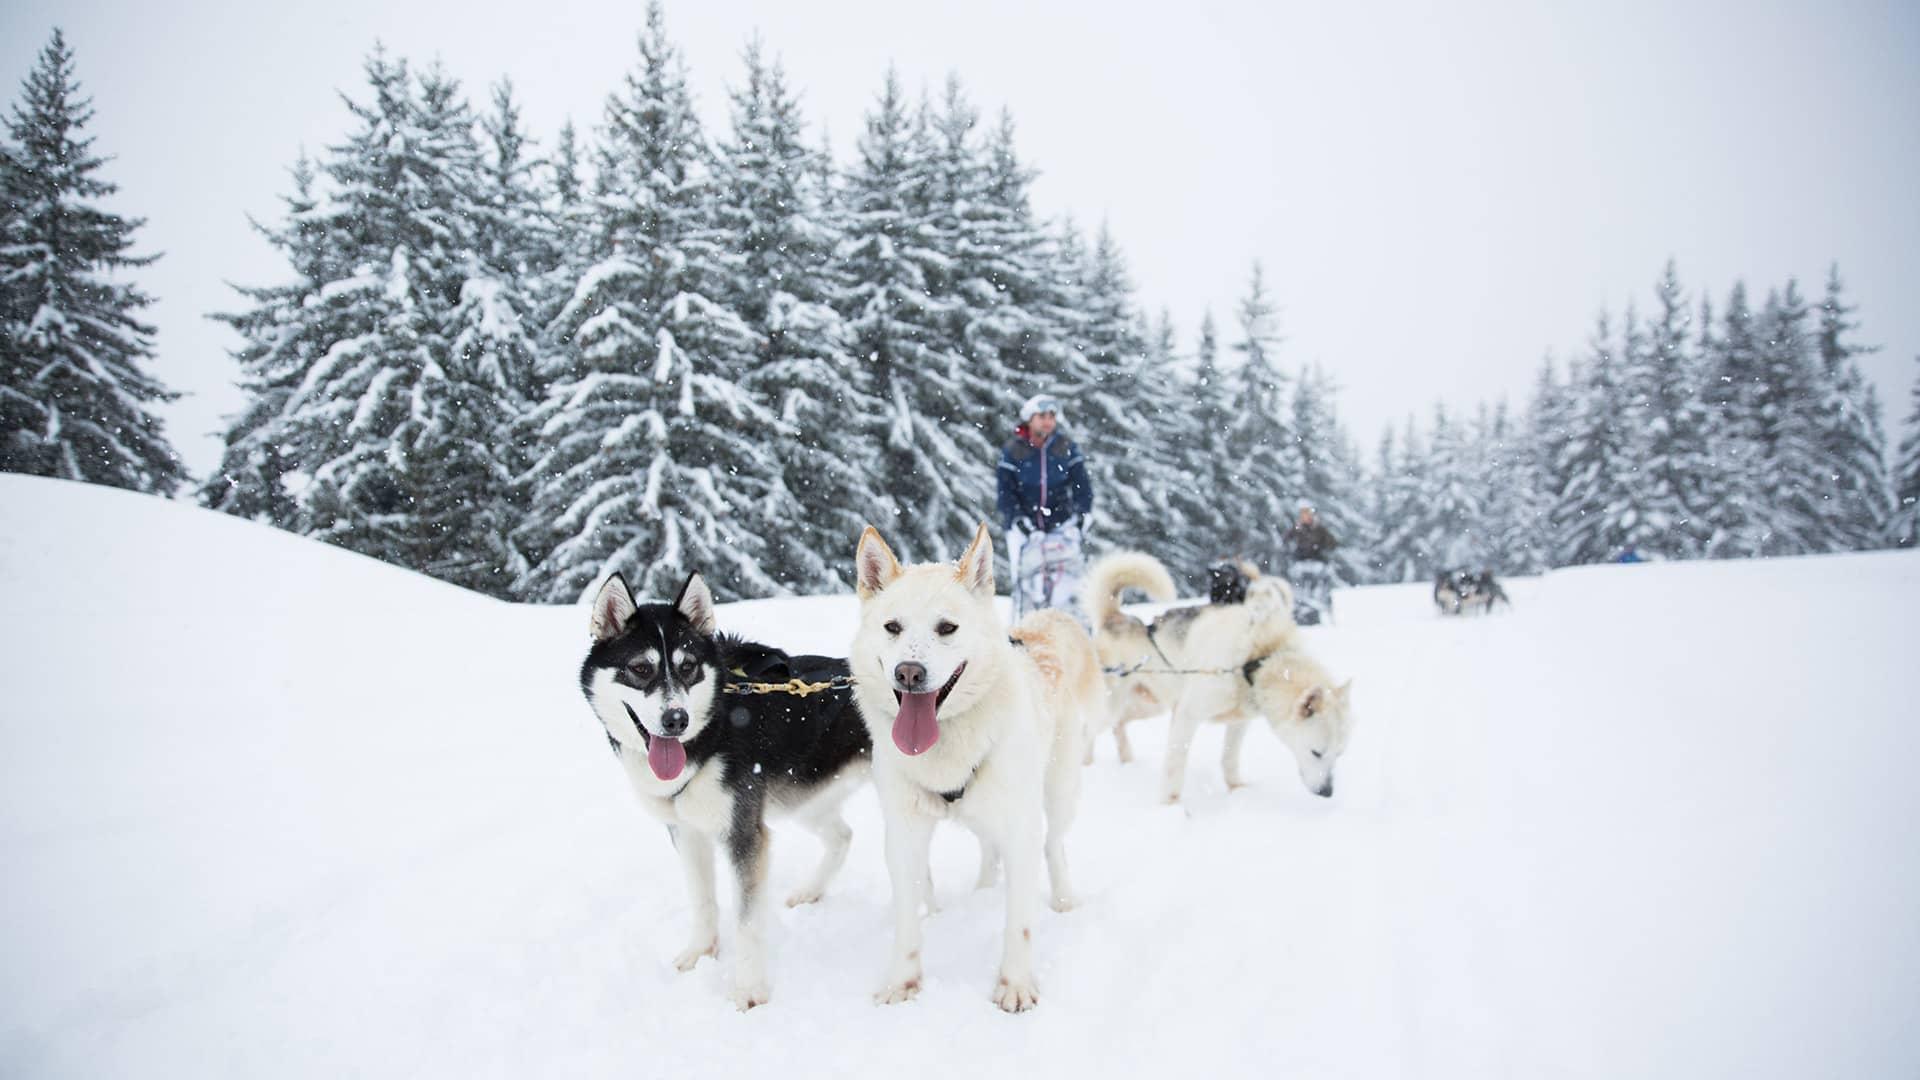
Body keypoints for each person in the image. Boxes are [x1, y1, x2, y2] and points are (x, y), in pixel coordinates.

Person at [997, 393, 1094, 621]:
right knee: (1026, 584)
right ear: (1029, 419)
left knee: (1069, 587)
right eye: (1042, 416)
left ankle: (1073, 636)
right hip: (1025, 529)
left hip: (1061, 526)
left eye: (1051, 415)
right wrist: (1016, 518)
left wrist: (1082, 514)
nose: (1048, 421)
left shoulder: (1064, 447)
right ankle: (1022, 634)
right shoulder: (1014, 450)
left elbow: (1081, 484)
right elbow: (1005, 491)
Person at [1283, 503, 1338, 625]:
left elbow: (1333, 543)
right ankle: (1300, 607)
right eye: (1303, 514)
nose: (1306, 517)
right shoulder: (1297, 529)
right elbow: (1285, 541)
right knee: (1298, 583)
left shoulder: (1319, 529)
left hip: (1317, 561)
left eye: (1308, 514)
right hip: (1300, 562)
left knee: (1318, 583)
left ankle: (1316, 605)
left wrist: (1325, 548)